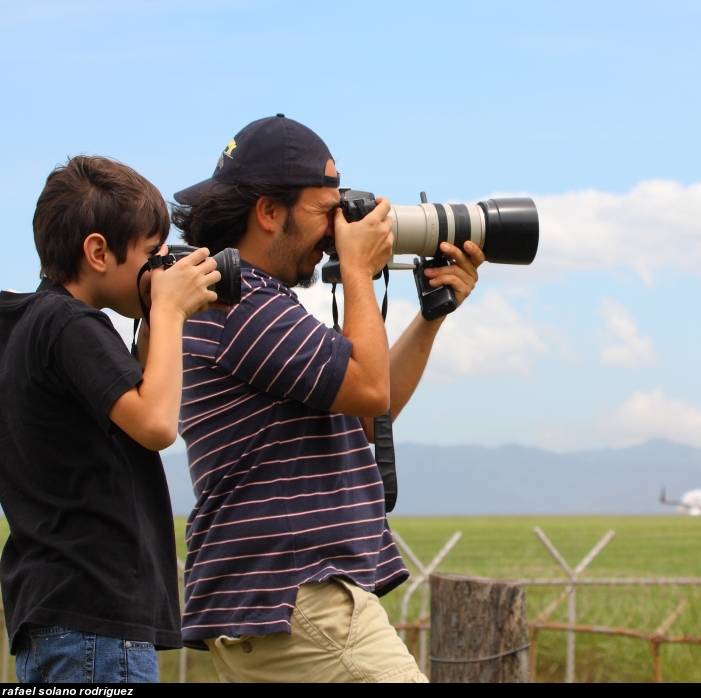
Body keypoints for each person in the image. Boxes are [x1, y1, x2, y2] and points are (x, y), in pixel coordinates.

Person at [171, 114, 485, 682]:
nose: (337, 228)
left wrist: (430, 318)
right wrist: (361, 271)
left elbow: (366, 416)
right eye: (326, 211)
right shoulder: (243, 305)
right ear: (268, 212)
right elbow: (368, 387)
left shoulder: (241, 300)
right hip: (301, 597)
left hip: (277, 603)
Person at [0, 155, 220, 683]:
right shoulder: (71, 323)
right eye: (151, 251)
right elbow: (157, 424)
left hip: (63, 617)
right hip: (95, 626)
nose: (163, 265)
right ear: (97, 251)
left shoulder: (27, 323)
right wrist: (169, 312)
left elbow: (132, 399)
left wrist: (154, 317)